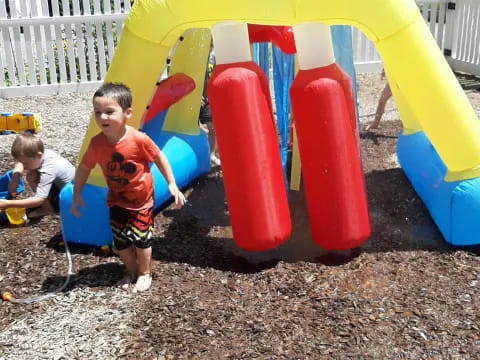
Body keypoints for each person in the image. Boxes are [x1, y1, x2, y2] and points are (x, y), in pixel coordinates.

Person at [70, 82, 186, 293]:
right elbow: (84, 168)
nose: (102, 117)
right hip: (116, 200)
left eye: (109, 112)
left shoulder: (138, 139)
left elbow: (159, 157)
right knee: (121, 242)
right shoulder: (97, 144)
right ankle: (131, 271)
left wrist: (172, 183)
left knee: (141, 241)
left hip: (141, 201)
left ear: (127, 113)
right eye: (98, 112)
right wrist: (77, 194)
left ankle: (145, 273)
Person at [0, 133, 75, 219]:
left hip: (70, 198)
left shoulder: (49, 169)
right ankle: (48, 203)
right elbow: (20, 163)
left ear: (39, 155)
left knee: (32, 177)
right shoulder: (41, 153)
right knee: (32, 175)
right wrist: (15, 178)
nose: (24, 166)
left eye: (26, 163)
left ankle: (48, 209)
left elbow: (40, 199)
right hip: (61, 187)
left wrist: (8, 203)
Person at [199, 43, 221, 167]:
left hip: (209, 99)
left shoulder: (214, 57)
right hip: (196, 98)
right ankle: (206, 152)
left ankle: (212, 153)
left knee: (212, 127)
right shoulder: (197, 59)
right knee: (199, 127)